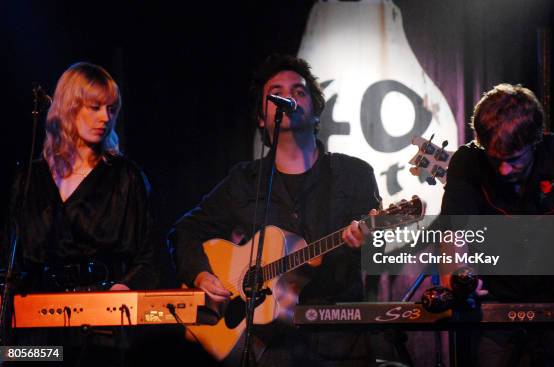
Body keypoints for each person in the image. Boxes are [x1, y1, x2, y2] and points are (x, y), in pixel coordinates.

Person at [169, 54, 381, 366]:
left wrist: (366, 242)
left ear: (315, 109)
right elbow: (184, 231)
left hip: (340, 343)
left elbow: (382, 248)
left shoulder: (354, 174)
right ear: (261, 116)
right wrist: (201, 275)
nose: (288, 98)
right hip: (264, 349)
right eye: (276, 93)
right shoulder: (244, 181)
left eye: (299, 91)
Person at [440, 83, 554, 366]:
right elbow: (455, 231)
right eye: (496, 161)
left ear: (536, 140)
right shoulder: (467, 161)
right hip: (493, 310)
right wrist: (457, 273)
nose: (505, 170)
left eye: (514, 160)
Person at [2, 62, 156, 365]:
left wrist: (124, 287)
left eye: (111, 109)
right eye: (95, 107)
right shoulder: (29, 180)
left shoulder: (125, 178)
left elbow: (149, 257)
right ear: (69, 108)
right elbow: (10, 256)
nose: (105, 118)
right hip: (37, 332)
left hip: (102, 331)